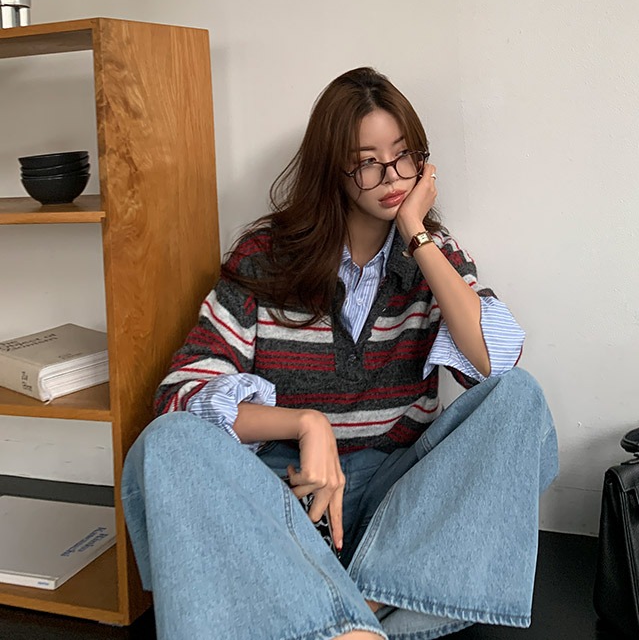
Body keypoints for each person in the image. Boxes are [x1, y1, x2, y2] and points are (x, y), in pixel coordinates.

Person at [121, 67, 559, 640]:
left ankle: (347, 612)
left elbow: (493, 361)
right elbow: (181, 395)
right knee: (165, 443)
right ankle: (360, 612)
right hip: (286, 499)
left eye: (404, 156)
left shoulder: (433, 255)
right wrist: (305, 423)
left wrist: (416, 234)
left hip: (394, 507)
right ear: (333, 168)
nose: (392, 176)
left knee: (521, 401)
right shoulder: (266, 256)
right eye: (367, 162)